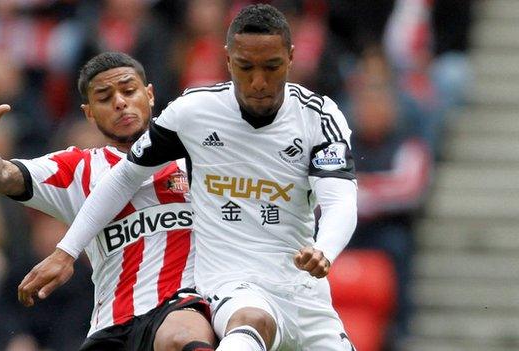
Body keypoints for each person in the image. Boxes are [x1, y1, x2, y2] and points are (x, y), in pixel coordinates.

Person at [32, 4, 358, 350]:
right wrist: (67, 250)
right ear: (228, 59)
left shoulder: (318, 117)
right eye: (246, 67)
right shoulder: (195, 112)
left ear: (291, 57)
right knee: (251, 322)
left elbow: (339, 199)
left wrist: (325, 249)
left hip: (303, 291)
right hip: (232, 284)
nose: (259, 81)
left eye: (272, 67)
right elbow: (125, 177)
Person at [0, 52, 216, 351]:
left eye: (128, 90)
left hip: (181, 306)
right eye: (104, 96)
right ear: (89, 113)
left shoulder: (194, 158)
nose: (120, 102)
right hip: (113, 325)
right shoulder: (78, 169)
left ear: (149, 95)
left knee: (182, 339)